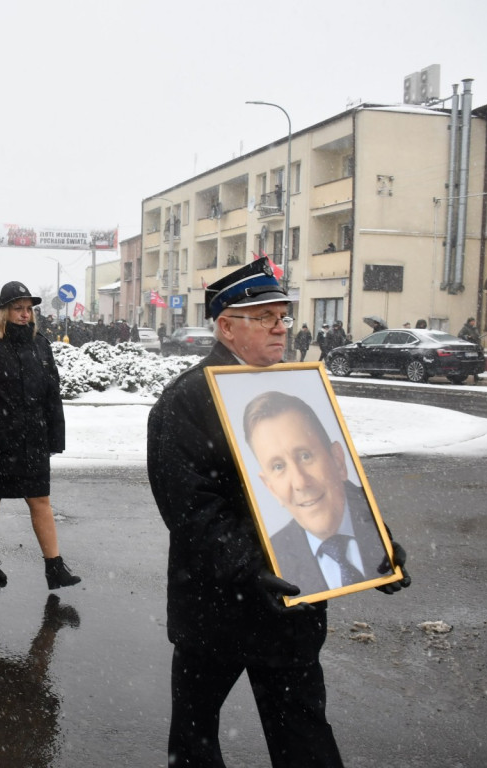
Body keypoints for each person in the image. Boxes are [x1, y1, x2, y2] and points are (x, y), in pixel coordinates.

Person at [147, 258, 410, 768]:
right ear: (226, 326)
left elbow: (337, 480)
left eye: (282, 317)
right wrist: (252, 567)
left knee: (303, 739)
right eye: (265, 317)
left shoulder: (297, 386)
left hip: (292, 608)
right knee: (196, 740)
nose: (280, 328)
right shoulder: (186, 400)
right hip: (216, 609)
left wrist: (376, 545)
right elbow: (190, 508)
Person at [0, 281, 80, 590]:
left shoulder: (40, 344)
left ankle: (54, 567)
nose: (25, 314)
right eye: (18, 308)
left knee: (40, 499)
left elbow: (51, 394)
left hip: (33, 439)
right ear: (3, 312)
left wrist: (56, 438)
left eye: (29, 309)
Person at [243, 391, 389, 596]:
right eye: (278, 466)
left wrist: (389, 554)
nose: (300, 482)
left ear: (338, 461)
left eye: (305, 456)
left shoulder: (374, 517)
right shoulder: (273, 560)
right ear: (271, 488)